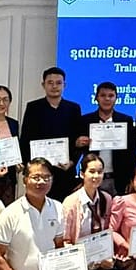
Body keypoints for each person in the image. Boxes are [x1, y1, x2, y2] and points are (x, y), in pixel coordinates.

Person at [63, 154, 126, 270]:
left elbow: (107, 233)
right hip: (79, 258)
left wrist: (106, 256)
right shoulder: (71, 203)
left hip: (99, 256)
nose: (96, 176)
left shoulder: (106, 198)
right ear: (82, 174)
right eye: (91, 171)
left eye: (100, 172)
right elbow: (65, 240)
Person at [19, 67, 85, 201]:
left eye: (58, 83)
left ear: (64, 85)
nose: (54, 86)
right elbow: (25, 139)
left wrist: (72, 162)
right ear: (43, 85)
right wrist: (29, 166)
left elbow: (79, 140)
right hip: (39, 171)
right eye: (50, 83)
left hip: (65, 171)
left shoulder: (73, 108)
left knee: (63, 212)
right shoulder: (33, 108)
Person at [79, 82, 136, 196]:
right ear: (96, 98)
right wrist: (78, 143)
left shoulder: (126, 120)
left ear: (116, 98)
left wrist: (131, 178)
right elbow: (77, 150)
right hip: (93, 178)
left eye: (111, 96)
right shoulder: (85, 121)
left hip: (119, 180)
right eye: (103, 95)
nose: (107, 99)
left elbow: (131, 153)